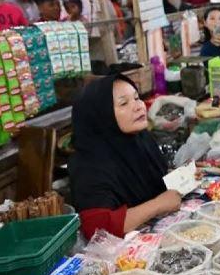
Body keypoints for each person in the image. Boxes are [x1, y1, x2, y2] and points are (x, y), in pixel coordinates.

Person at [69, 75, 181, 238]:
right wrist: (158, 205)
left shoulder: (140, 139)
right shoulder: (89, 163)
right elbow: (95, 228)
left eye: (137, 98)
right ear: (102, 115)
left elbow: (156, 182)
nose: (138, 106)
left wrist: (181, 177)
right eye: (124, 103)